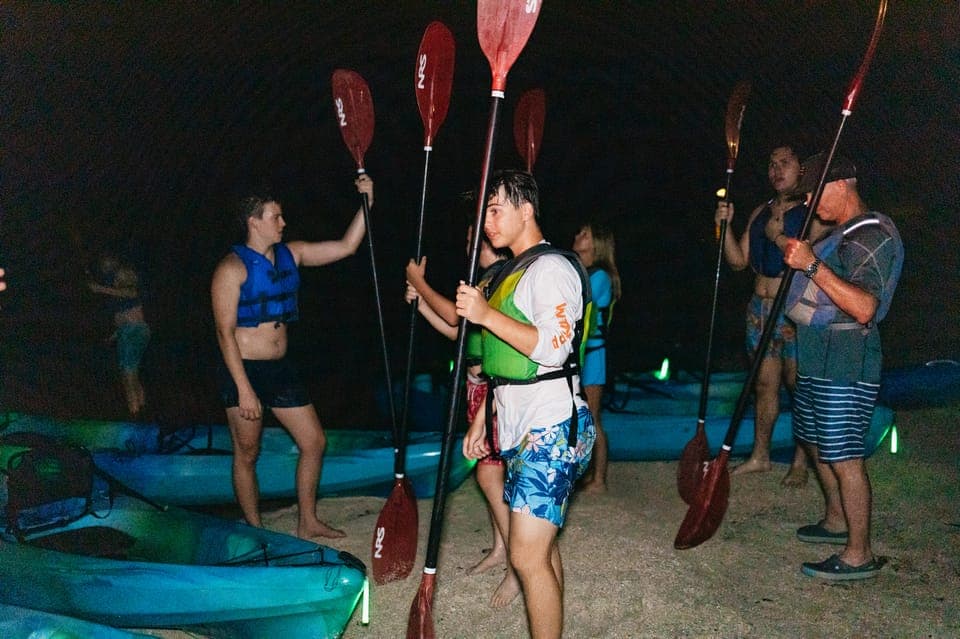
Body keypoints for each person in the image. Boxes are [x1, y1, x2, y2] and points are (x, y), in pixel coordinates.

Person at [457, 170, 595, 639]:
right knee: (542, 549)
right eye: (485, 212)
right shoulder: (507, 272)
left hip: (553, 427)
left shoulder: (552, 269)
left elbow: (553, 348)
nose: (488, 221)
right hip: (518, 427)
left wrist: (484, 314)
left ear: (526, 210)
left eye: (496, 209)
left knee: (526, 556)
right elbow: (503, 366)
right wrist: (483, 419)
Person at [210, 175, 373, 540]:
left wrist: (367, 203)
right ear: (254, 222)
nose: (283, 223)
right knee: (247, 452)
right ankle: (255, 530)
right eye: (275, 217)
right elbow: (224, 333)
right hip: (243, 371)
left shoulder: (292, 253)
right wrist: (244, 390)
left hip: (279, 369)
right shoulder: (230, 269)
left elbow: (347, 247)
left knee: (314, 442)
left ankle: (308, 520)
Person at [781, 153, 903, 580]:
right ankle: (836, 520)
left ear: (844, 182)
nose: (810, 201)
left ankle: (859, 554)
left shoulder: (874, 234)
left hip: (848, 362)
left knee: (844, 454)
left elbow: (864, 306)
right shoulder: (840, 234)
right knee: (814, 442)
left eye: (815, 192)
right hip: (817, 357)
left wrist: (811, 265)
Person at [404, 224, 519, 607]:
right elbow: (460, 335)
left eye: (474, 235)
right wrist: (422, 304)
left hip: (495, 389)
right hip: (475, 388)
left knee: (488, 473)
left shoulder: (498, 278)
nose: (469, 239)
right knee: (491, 476)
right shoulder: (483, 279)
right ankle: (502, 550)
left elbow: (454, 320)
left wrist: (420, 284)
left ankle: (518, 568)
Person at [714, 143, 821, 486]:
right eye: (772, 163)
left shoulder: (812, 212)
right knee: (764, 385)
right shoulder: (761, 210)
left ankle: (800, 462)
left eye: (785, 163)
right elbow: (737, 261)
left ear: (801, 170)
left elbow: (810, 261)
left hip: (793, 308)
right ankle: (760, 456)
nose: (776, 169)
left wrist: (779, 237)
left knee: (797, 385)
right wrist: (725, 227)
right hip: (759, 308)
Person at [572, 222, 621, 493]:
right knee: (581, 416)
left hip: (593, 354)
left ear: (596, 244)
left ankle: (599, 478)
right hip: (579, 354)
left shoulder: (600, 276)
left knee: (592, 416)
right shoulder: (584, 272)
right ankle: (586, 473)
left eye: (585, 234)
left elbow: (577, 305)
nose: (578, 236)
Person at [88, 254, 151, 418]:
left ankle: (135, 414)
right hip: (129, 331)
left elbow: (132, 292)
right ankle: (142, 411)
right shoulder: (111, 282)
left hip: (133, 331)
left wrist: (100, 289)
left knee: (128, 374)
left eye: (106, 260)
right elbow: (124, 316)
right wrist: (115, 335)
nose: (103, 263)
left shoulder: (122, 272)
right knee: (132, 374)